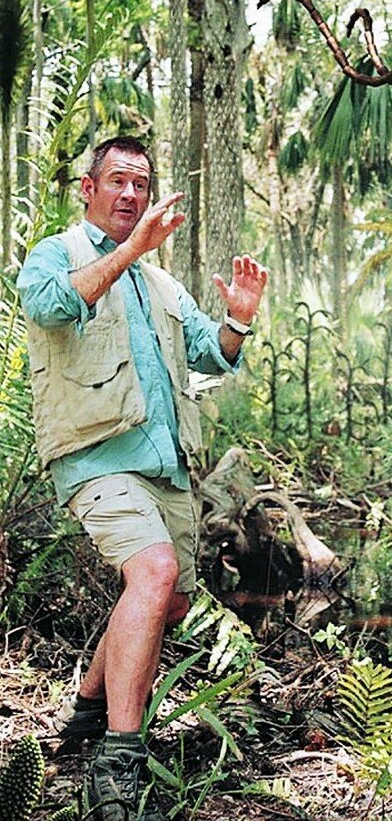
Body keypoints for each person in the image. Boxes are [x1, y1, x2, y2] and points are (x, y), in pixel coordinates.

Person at [17, 136, 268, 821]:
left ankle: (87, 706)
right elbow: (46, 308)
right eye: (119, 181)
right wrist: (128, 252)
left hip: (165, 465)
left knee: (171, 601)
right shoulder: (57, 254)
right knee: (153, 574)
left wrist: (239, 315)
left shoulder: (159, 283)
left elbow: (211, 353)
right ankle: (118, 763)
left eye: (142, 183)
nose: (131, 194)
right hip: (96, 456)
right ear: (88, 189)